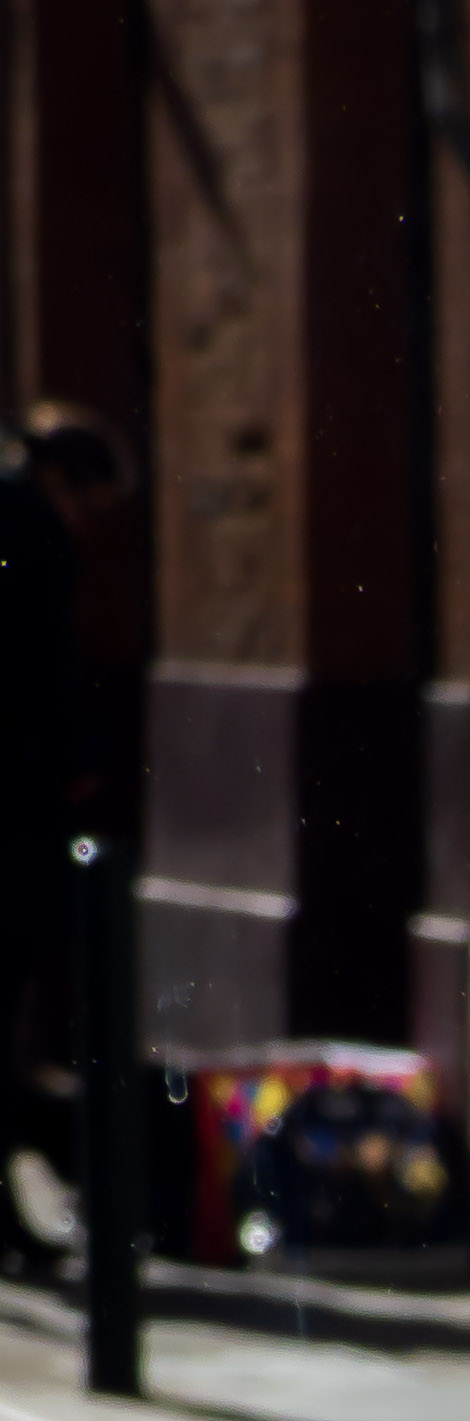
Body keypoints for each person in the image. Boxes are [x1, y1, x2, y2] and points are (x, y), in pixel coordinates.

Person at [0, 407, 137, 1267]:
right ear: (65, 483)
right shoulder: (33, 532)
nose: (90, 525)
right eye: (91, 504)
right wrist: (80, 763)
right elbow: (48, 664)